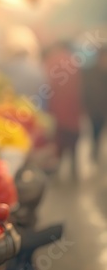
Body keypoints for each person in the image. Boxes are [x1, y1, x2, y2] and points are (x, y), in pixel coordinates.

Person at [42, 42, 83, 179]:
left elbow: (47, 87)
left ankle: (56, 172)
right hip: (73, 113)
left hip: (57, 113)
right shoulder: (73, 62)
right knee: (72, 147)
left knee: (58, 146)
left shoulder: (51, 61)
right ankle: (74, 172)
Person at [82, 46, 107, 165]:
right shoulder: (90, 72)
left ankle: (96, 152)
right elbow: (86, 91)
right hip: (95, 110)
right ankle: (94, 153)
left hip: (102, 109)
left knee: (100, 132)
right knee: (95, 132)